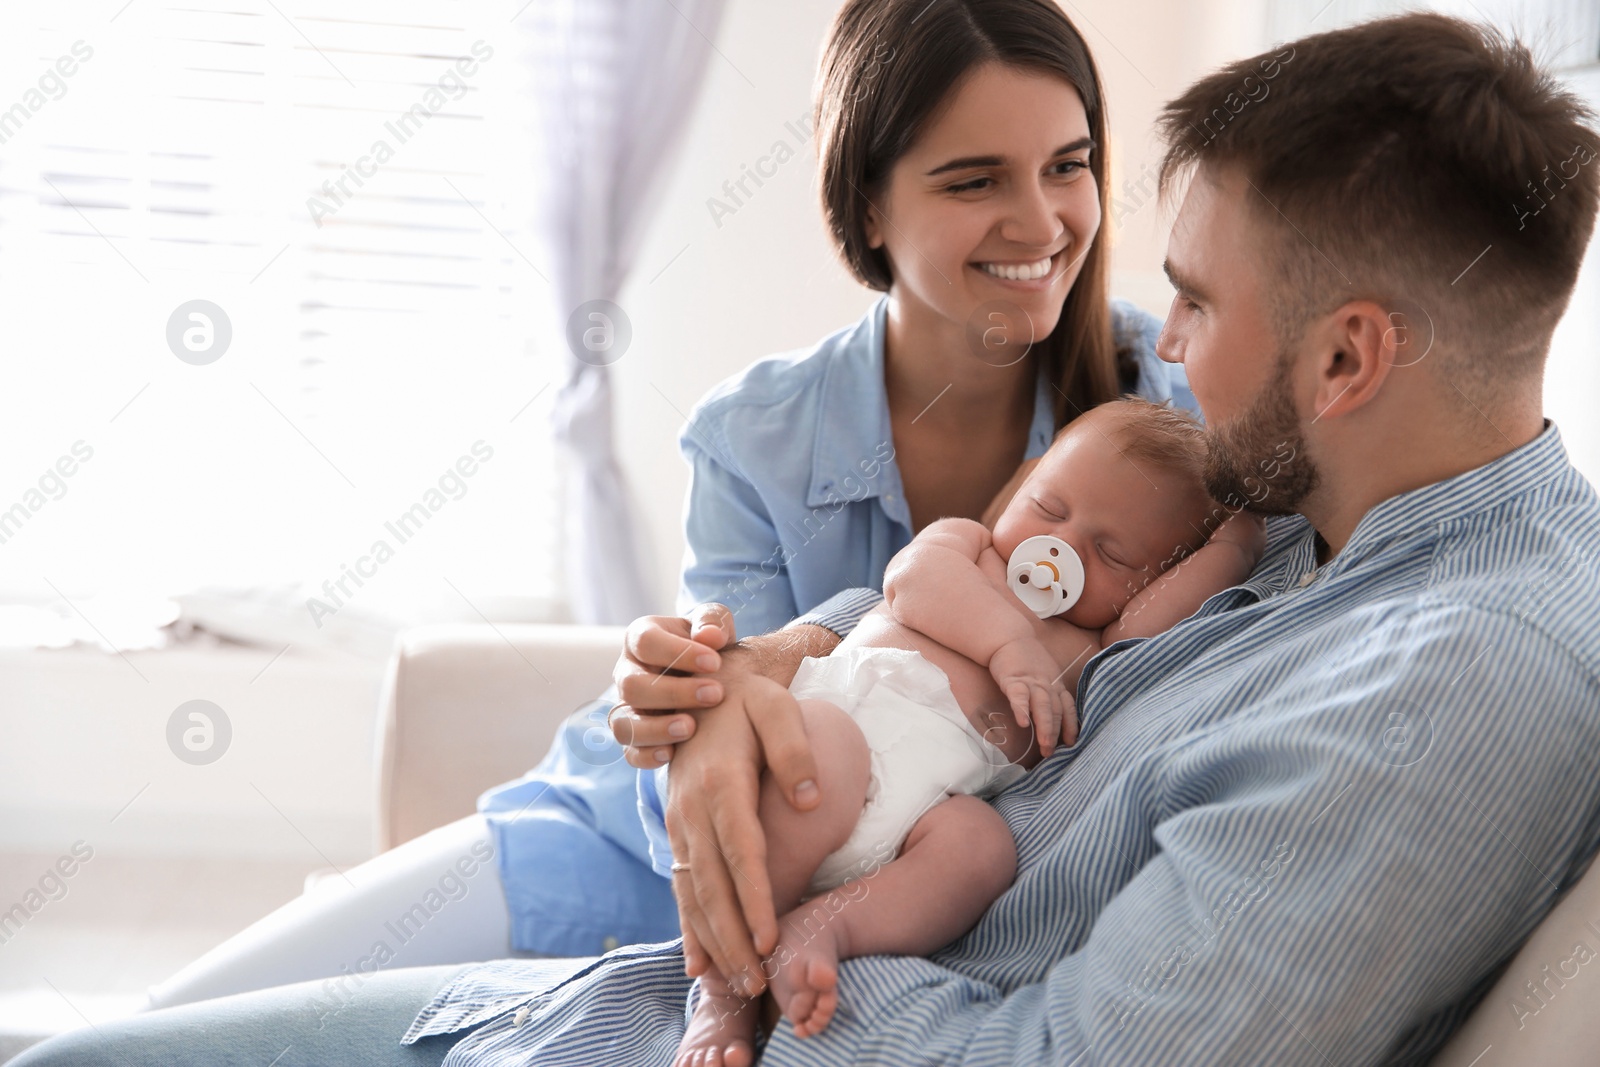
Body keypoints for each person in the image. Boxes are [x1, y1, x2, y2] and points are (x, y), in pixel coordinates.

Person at [20, 7, 1600, 1067]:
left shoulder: (1446, 682)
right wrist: (745, 684)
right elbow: (909, 632)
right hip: (646, 967)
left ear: (1346, 359)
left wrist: (802, 961)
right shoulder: (1316, 530)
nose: (1160, 344)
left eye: (1195, 297)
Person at [141, 0, 1188, 1010]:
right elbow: (731, 687)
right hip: (641, 845)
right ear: (870, 204)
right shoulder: (756, 431)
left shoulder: (1169, 407)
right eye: (974, 180)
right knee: (175, 1026)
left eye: (1070, 165)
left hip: (916, 887)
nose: (1043, 220)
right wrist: (699, 698)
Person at [664, 399, 1268, 1064]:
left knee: (983, 849)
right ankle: (725, 994)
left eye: (1110, 551)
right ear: (1025, 482)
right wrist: (1007, 640)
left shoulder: (1098, 641)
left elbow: (1166, 612)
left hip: (923, 810)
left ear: (1151, 577)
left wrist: (1236, 543)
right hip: (837, 725)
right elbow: (910, 583)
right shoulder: (970, 546)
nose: (1061, 548)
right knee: (828, 752)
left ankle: (826, 926)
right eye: (1049, 507)